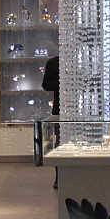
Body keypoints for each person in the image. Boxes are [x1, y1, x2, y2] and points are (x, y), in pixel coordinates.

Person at [42, 55, 59, 189]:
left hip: (83, 107)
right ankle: (60, 175)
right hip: (60, 110)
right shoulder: (53, 63)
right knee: (60, 142)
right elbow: (46, 85)